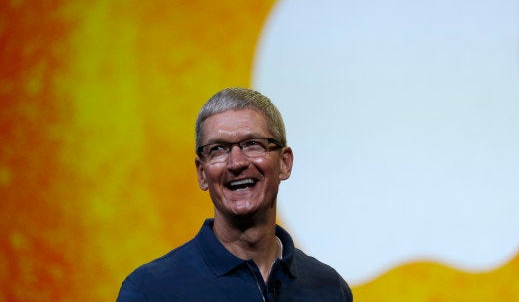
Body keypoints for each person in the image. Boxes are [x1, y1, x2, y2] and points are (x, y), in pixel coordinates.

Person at [117, 87, 353, 301]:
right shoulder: (149, 291)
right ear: (202, 173)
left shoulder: (330, 289)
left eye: (252, 144)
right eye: (217, 149)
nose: (236, 162)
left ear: (284, 162)